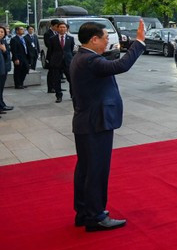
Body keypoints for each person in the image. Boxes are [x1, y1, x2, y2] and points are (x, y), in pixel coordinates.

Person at [71, 19, 146, 232]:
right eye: (105, 38)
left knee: (85, 169)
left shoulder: (81, 57)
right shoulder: (90, 60)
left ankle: (84, 212)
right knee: (96, 170)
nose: (107, 42)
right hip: (96, 122)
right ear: (94, 39)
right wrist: (138, 42)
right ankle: (96, 216)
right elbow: (121, 65)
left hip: (86, 120)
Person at [47, 22, 75, 104]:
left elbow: (71, 49)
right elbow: (50, 50)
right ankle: (59, 96)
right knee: (57, 80)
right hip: (56, 62)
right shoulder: (53, 39)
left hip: (67, 62)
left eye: (64, 27)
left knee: (71, 79)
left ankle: (73, 95)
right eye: (61, 27)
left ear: (66, 29)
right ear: (57, 28)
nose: (62, 29)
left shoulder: (70, 38)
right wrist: (49, 60)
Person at [43, 19, 60, 92]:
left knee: (58, 73)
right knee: (51, 72)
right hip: (52, 55)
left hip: (59, 55)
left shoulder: (57, 33)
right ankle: (50, 87)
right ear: (52, 26)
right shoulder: (48, 33)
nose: (58, 28)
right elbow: (48, 45)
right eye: (57, 26)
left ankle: (57, 86)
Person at [0, 26, 13, 114]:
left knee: (1, 89)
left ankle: (1, 105)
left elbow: (7, 56)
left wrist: (4, 50)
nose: (0, 33)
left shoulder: (3, 42)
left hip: (3, 69)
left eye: (2, 32)